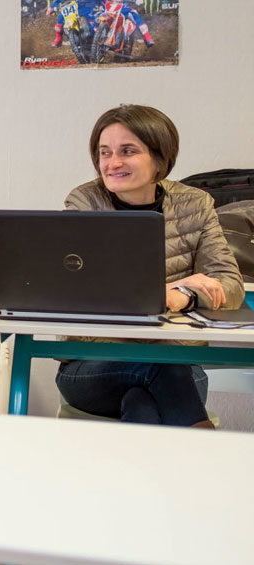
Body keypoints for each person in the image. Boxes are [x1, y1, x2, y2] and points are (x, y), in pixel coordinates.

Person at [59, 104, 243, 428]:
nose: (112, 163)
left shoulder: (195, 204)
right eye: (105, 152)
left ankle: (132, 479)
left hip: (181, 364)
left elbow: (230, 285)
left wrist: (184, 293)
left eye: (127, 151)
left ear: (160, 158)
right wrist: (160, 293)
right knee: (159, 368)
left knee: (142, 403)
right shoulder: (84, 203)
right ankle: (209, 457)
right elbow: (80, 289)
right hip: (92, 366)